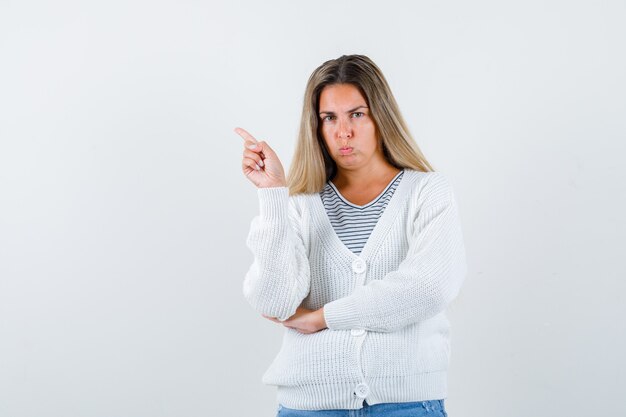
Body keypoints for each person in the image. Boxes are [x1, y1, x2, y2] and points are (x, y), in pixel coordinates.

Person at [235, 54, 466, 417]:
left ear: (380, 117)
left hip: (404, 403)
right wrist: (274, 195)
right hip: (309, 407)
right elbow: (275, 302)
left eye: (356, 114)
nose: (343, 132)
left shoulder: (427, 192)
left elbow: (429, 287)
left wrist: (324, 317)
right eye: (329, 118)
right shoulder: (298, 204)